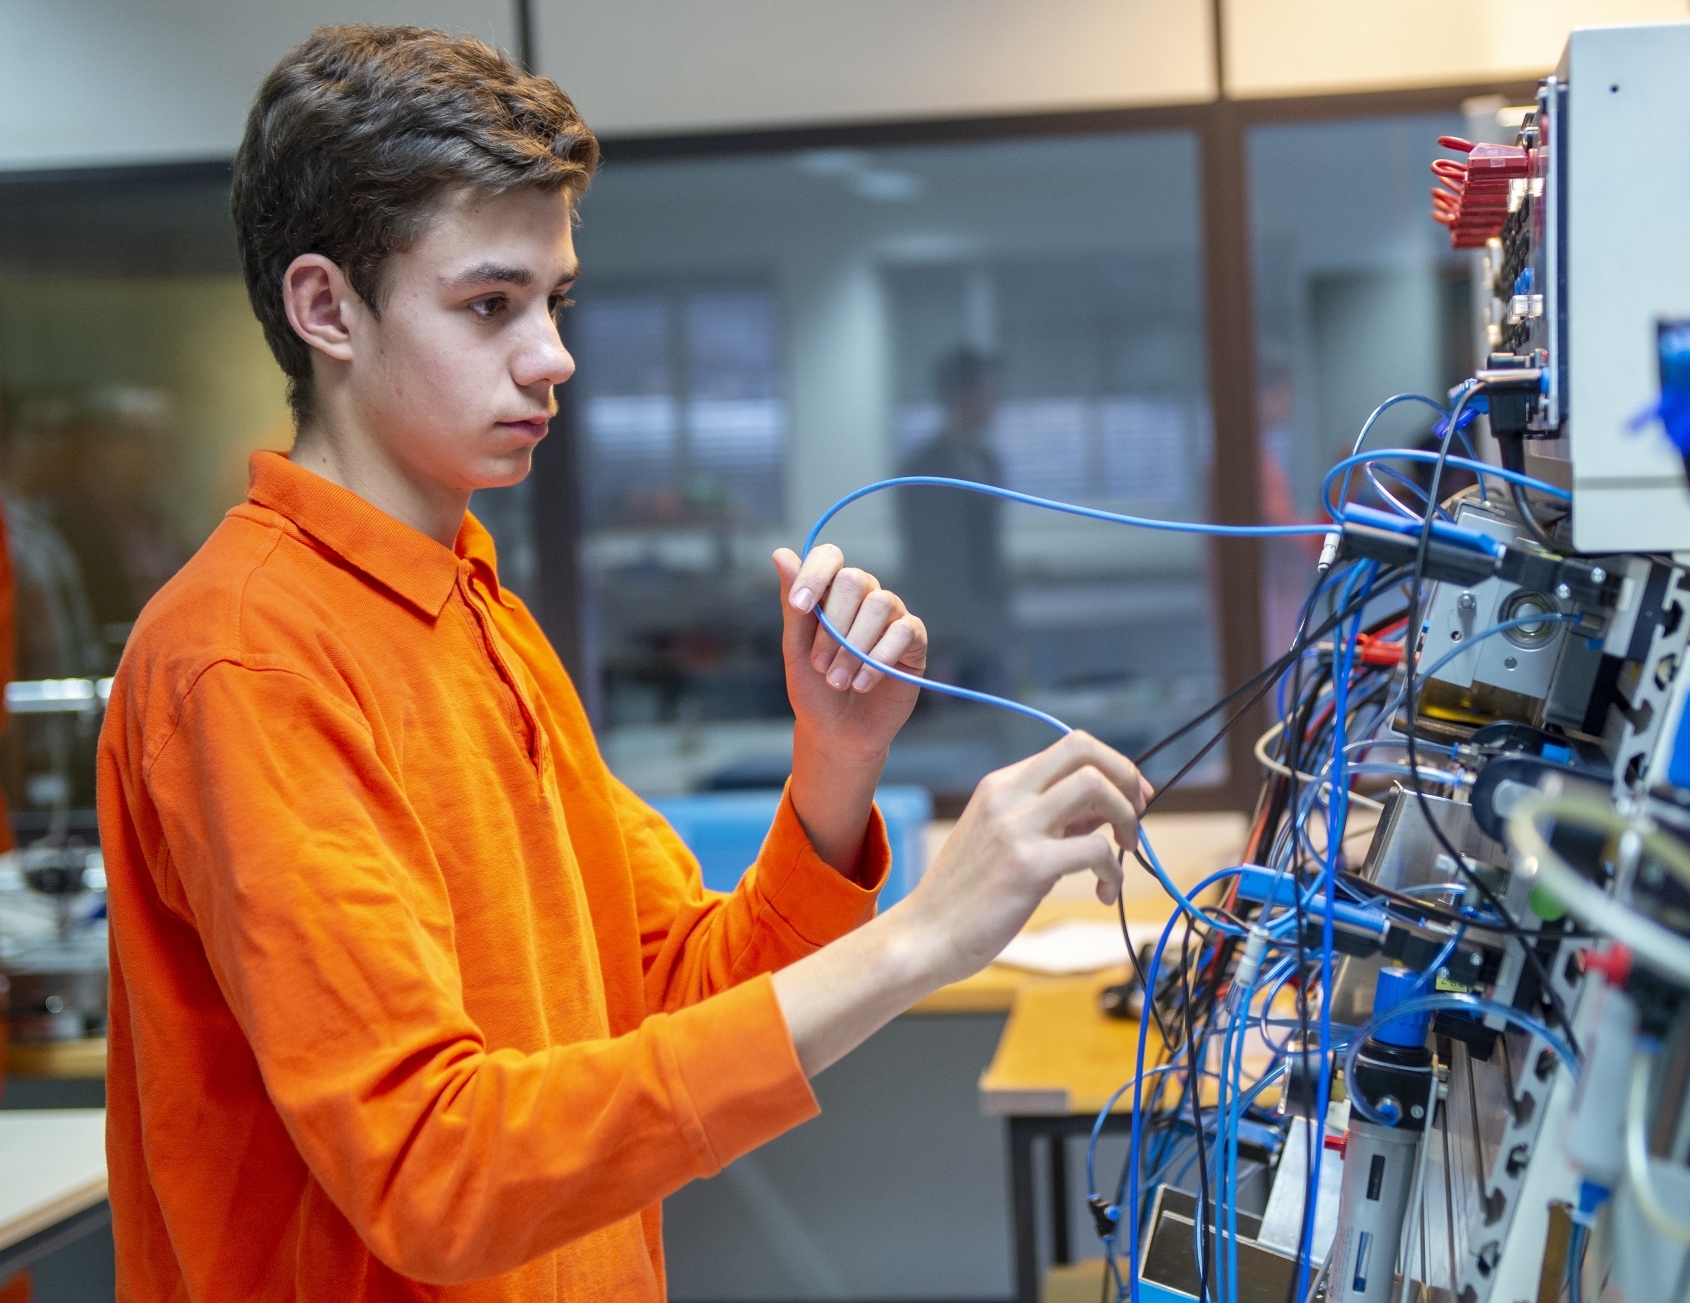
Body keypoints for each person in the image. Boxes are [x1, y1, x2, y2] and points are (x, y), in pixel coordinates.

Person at [98, 27, 1146, 1301]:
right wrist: (921, 936)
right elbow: (437, 1170)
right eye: (490, 305)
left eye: (554, 301)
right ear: (327, 309)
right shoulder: (247, 655)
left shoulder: (476, 609)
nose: (552, 355)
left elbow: (670, 990)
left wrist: (833, 767)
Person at [895, 347, 1010, 694]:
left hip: (990, 624)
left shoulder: (989, 462)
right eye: (989, 394)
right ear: (962, 397)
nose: (996, 404)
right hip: (947, 630)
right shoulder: (922, 469)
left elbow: (988, 549)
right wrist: (938, 645)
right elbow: (930, 560)